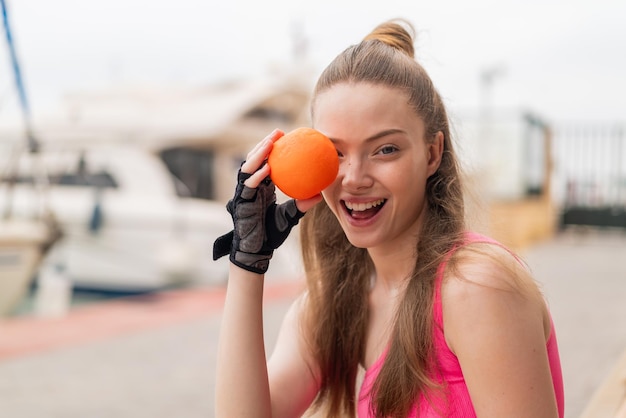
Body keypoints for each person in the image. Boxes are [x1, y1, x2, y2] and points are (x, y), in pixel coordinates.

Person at [213, 19, 564, 418]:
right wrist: (247, 260)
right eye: (337, 153)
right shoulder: (336, 303)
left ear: (432, 154)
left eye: (385, 150)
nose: (355, 178)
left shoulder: (475, 288)